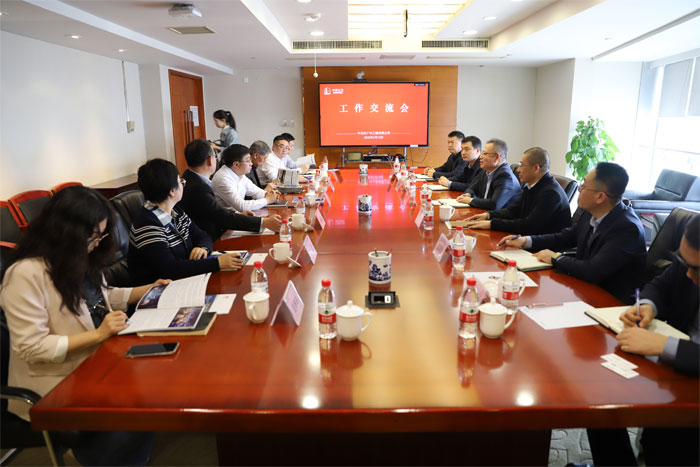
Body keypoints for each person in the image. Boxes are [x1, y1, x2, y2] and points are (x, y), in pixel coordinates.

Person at [0, 186, 166, 465]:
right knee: (141, 406)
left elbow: (102, 296)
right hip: (56, 380)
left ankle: (127, 458)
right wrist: (99, 334)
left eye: (100, 236)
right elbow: (32, 346)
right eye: (92, 237)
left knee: (158, 385)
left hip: (99, 361)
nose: (97, 244)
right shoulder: (25, 274)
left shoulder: (78, 257)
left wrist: (149, 289)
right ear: (65, 233)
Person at [586, 216, 699, 467]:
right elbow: (660, 285)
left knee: (670, 444)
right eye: (684, 262)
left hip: (691, 385)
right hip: (671, 369)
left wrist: (661, 345)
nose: (688, 273)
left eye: (696, 268)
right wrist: (647, 306)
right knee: (600, 399)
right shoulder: (691, 260)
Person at [499, 162, 646, 304]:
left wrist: (556, 258)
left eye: (584, 186)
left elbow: (594, 270)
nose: (579, 190)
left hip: (611, 303)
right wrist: (526, 241)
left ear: (600, 197)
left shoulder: (627, 229)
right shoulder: (591, 213)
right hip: (584, 290)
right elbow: (565, 237)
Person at [128, 158, 243, 284]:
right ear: (172, 191)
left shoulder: (175, 211)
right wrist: (218, 263)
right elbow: (170, 268)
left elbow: (202, 235)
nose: (183, 184)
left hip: (185, 279)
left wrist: (203, 247)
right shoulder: (147, 225)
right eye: (180, 181)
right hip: (161, 288)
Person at [178, 139, 281, 241]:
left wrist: (238, 214)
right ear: (210, 160)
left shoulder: (194, 180)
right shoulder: (199, 187)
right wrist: (264, 222)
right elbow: (222, 216)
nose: (251, 164)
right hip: (210, 239)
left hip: (217, 231)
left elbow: (218, 212)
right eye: (215, 156)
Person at [463, 147, 571, 235]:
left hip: (543, 248)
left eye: (522, 165)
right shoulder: (532, 185)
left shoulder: (551, 193)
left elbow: (529, 226)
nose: (518, 170)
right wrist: (488, 215)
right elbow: (513, 211)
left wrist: (492, 224)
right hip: (526, 238)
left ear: (536, 168)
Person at [456, 138, 521, 210]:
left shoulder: (505, 176)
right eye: (481, 153)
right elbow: (473, 187)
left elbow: (494, 204)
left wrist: (470, 200)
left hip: (498, 215)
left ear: (497, 157)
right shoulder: (486, 171)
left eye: (485, 154)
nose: (480, 157)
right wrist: (468, 194)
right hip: (484, 212)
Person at [212, 144, 280, 212]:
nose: (251, 164)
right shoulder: (223, 179)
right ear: (236, 164)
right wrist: (267, 200)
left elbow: (255, 191)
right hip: (226, 217)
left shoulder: (239, 174)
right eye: (248, 161)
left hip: (238, 214)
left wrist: (268, 194)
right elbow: (241, 206)